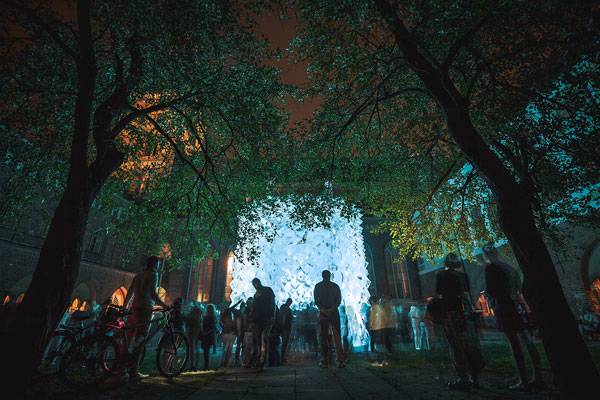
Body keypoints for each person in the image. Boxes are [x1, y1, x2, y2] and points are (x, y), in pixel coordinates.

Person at [483, 244, 543, 391]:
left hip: (504, 308)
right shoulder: (510, 268)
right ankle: (538, 376)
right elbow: (518, 288)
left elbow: (491, 291)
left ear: (486, 256)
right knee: (528, 341)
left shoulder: (490, 268)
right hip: (517, 306)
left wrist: (491, 299)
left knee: (514, 344)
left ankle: (523, 380)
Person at [435, 253, 482, 391]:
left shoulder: (441, 275)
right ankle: (475, 377)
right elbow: (467, 292)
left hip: (451, 312)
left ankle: (463, 378)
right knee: (470, 344)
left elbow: (439, 293)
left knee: (456, 346)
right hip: (465, 312)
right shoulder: (463, 275)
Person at [123, 255, 168, 380]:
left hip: (134, 307)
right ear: (154, 264)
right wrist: (164, 305)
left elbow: (130, 291)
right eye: (158, 264)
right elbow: (152, 293)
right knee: (141, 338)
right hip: (145, 308)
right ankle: (134, 371)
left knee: (129, 337)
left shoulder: (139, 274)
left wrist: (125, 306)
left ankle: (121, 367)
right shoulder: (153, 275)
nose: (159, 266)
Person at [314, 270, 345, 368]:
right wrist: (332, 309)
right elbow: (338, 300)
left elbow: (316, 301)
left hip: (323, 313)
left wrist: (323, 309)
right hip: (334, 312)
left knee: (323, 336)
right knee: (337, 336)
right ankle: (340, 360)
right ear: (330, 276)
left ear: (322, 276)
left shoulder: (318, 286)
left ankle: (324, 360)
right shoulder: (335, 286)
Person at [250, 278, 276, 370]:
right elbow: (254, 307)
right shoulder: (256, 295)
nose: (255, 286)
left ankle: (263, 361)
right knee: (258, 341)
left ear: (259, 283)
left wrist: (272, 315)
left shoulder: (268, 290)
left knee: (264, 338)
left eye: (255, 284)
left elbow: (273, 303)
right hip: (257, 319)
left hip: (266, 318)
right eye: (254, 285)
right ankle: (258, 360)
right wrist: (252, 318)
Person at [220, 300, 242, 368]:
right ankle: (227, 363)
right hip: (233, 333)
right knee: (230, 348)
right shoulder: (236, 313)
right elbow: (238, 322)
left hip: (225, 332)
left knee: (224, 348)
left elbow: (221, 322)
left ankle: (223, 362)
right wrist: (238, 332)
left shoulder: (225, 313)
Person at [201, 304, 217, 370]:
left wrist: (205, 332)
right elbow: (213, 327)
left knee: (206, 351)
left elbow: (205, 326)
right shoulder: (213, 317)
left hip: (206, 335)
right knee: (206, 351)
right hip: (210, 335)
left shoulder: (206, 317)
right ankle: (206, 365)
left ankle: (206, 366)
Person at [187, 302, 202, 371]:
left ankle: (192, 364)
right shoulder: (199, 317)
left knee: (192, 350)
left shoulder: (192, 316)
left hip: (192, 333)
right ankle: (196, 365)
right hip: (197, 333)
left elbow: (188, 323)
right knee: (196, 349)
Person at [279, 298, 294, 364]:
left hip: (285, 328)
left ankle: (282, 357)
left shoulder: (283, 307)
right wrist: (283, 326)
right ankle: (282, 358)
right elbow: (284, 318)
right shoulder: (286, 308)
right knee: (284, 343)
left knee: (284, 343)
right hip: (286, 328)